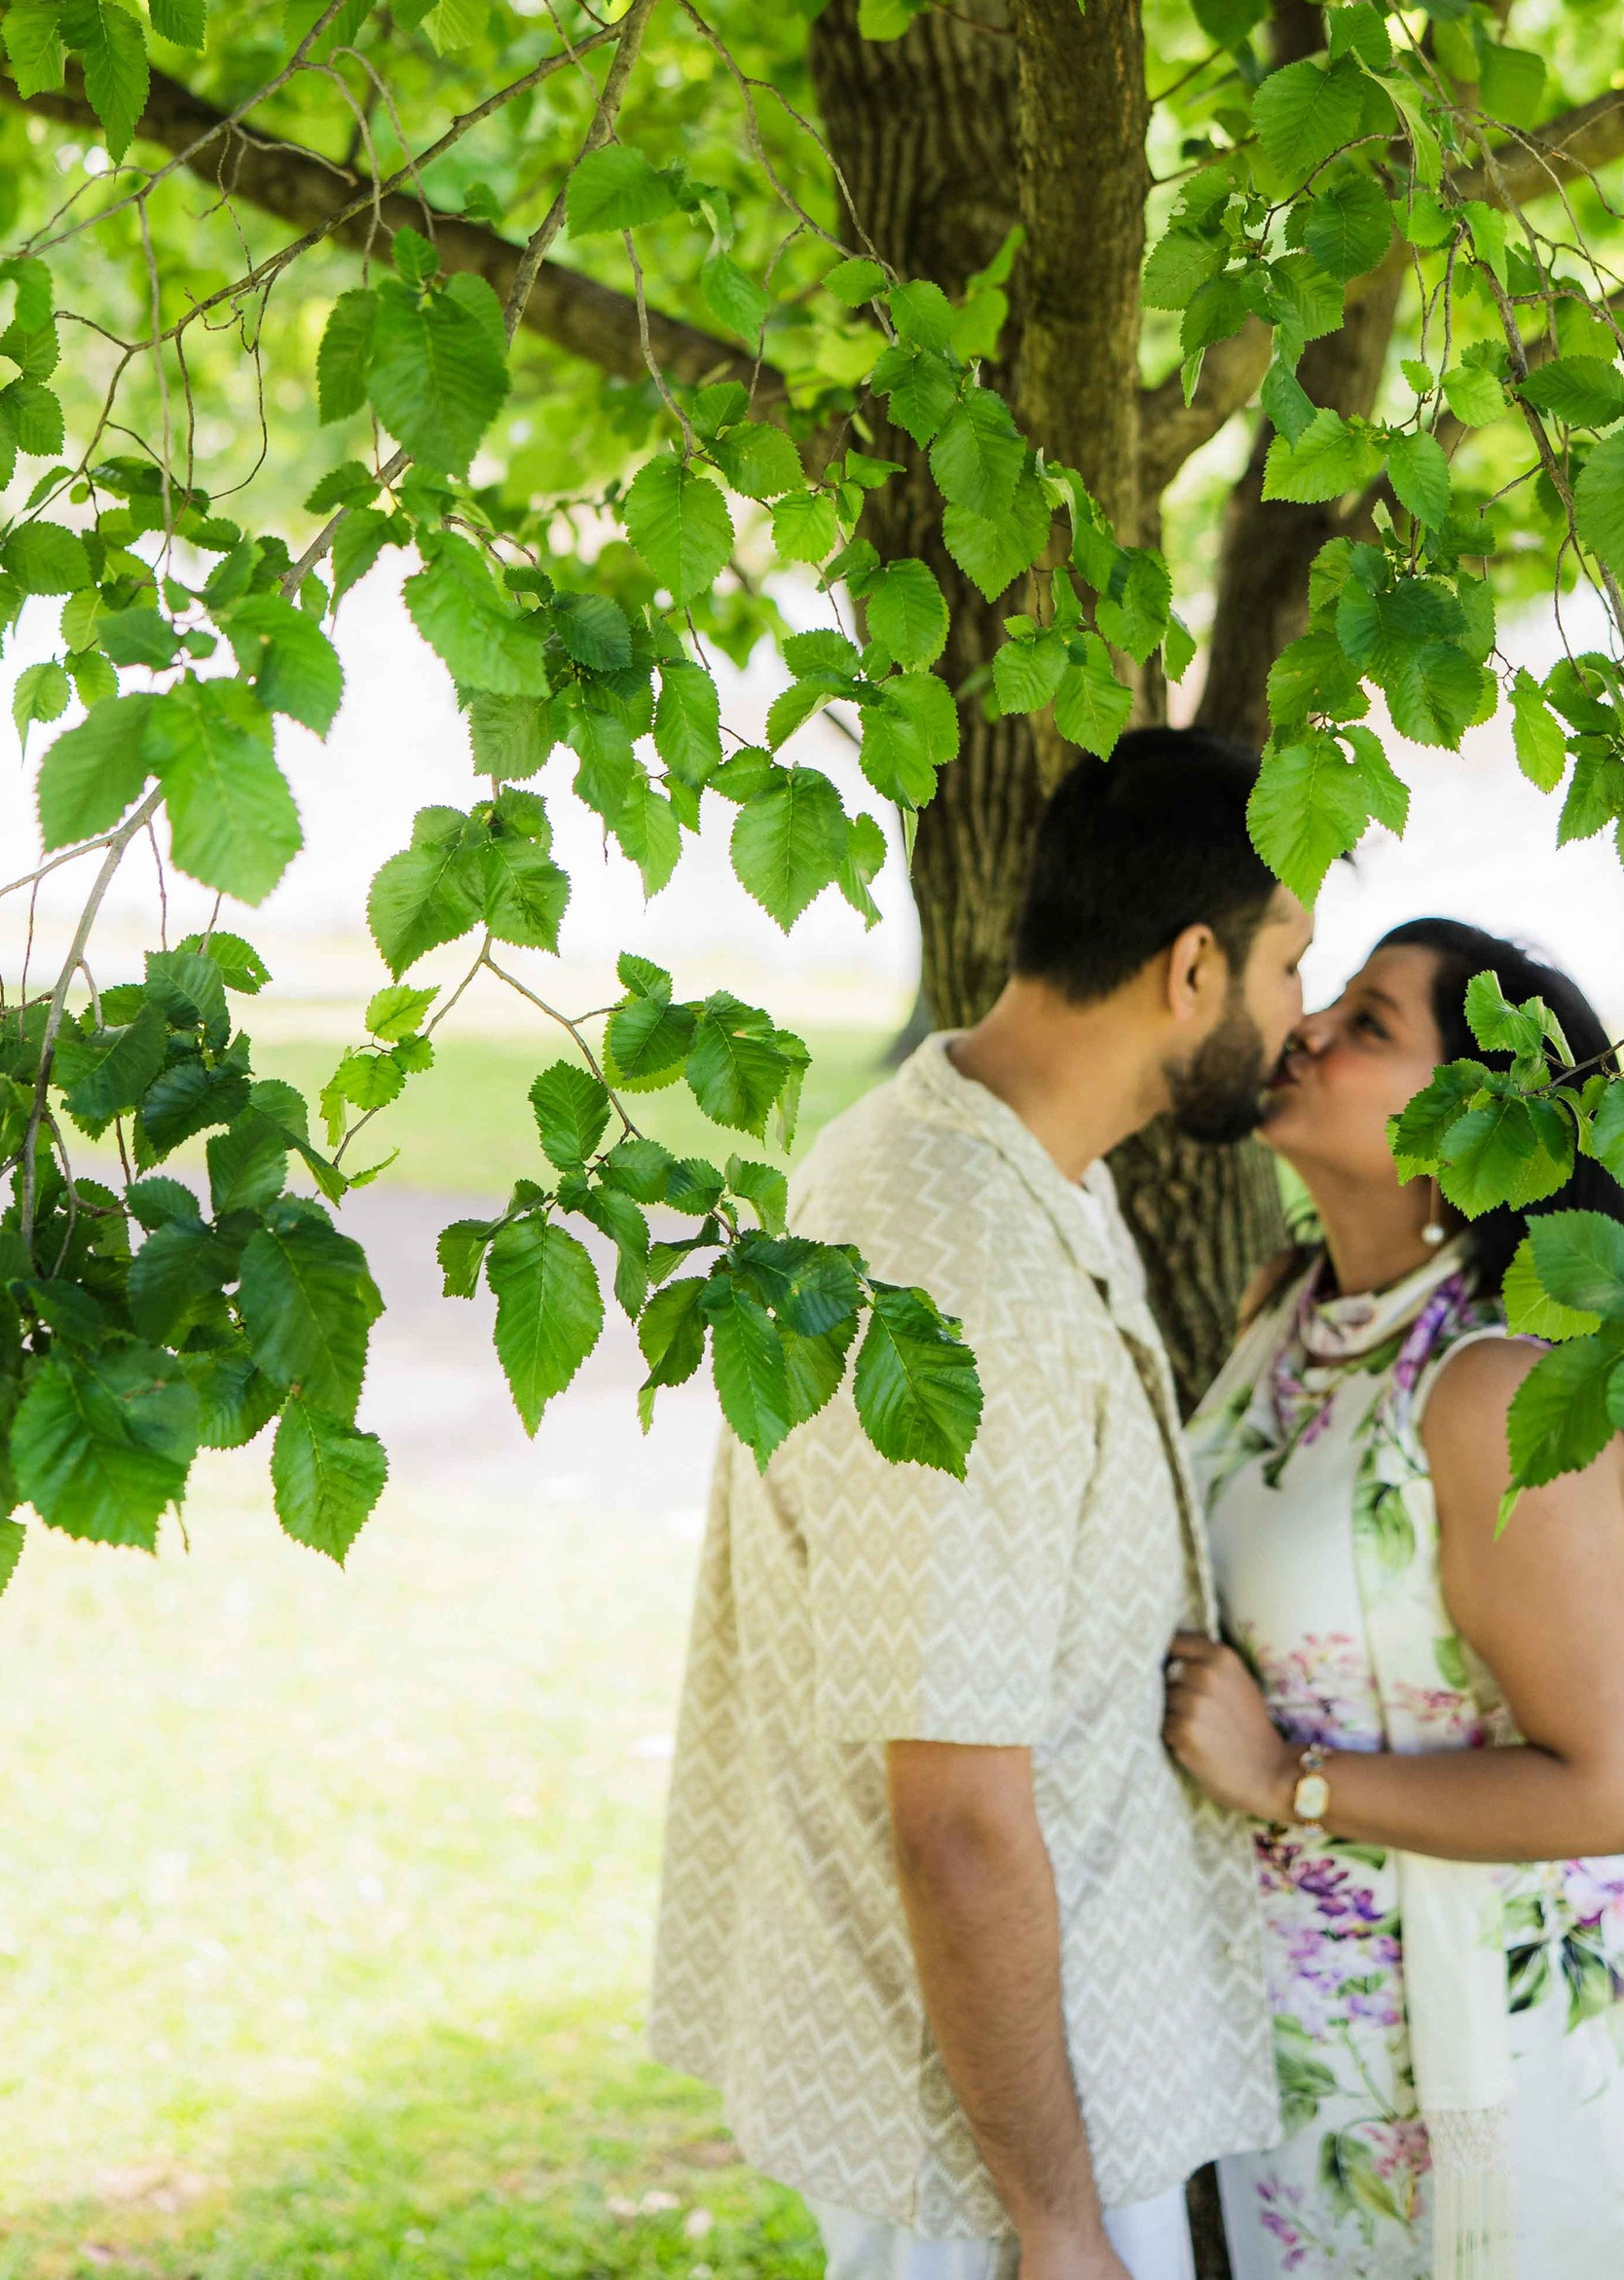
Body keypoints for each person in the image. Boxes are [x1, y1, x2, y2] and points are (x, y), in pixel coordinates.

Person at [650, 727, 1316, 2280]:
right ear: (1195, 970)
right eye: (1291, 966)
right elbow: (951, 1811)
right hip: (974, 2151)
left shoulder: (1022, 1170)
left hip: (1040, 2084)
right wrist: (1059, 2228)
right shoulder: (946, 1258)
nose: (1296, 1017)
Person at [1163, 920, 1624, 2280]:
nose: (1305, 1028)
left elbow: (1612, 1791)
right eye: (1323, 1000)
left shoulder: (1497, 1389)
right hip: (1330, 2072)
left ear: (1479, 1120)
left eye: (1368, 1023)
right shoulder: (1296, 1307)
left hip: (1525, 2065)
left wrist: (1285, 1781)